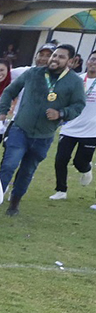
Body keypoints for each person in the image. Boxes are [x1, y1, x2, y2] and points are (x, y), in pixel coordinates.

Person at [0, 43, 86, 216]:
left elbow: (78, 106)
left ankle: (14, 204)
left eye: (61, 57)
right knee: (8, 165)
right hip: (20, 129)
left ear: (71, 61)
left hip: (44, 136)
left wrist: (61, 113)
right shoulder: (33, 73)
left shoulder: (74, 82)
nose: (54, 59)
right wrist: (2, 113)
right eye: (54, 55)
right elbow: (9, 92)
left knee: (27, 171)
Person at [49, 50, 96, 201]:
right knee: (60, 160)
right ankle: (61, 190)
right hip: (70, 127)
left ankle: (87, 168)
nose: (94, 63)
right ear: (87, 61)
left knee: (79, 162)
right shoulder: (77, 80)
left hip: (91, 131)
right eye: (93, 59)